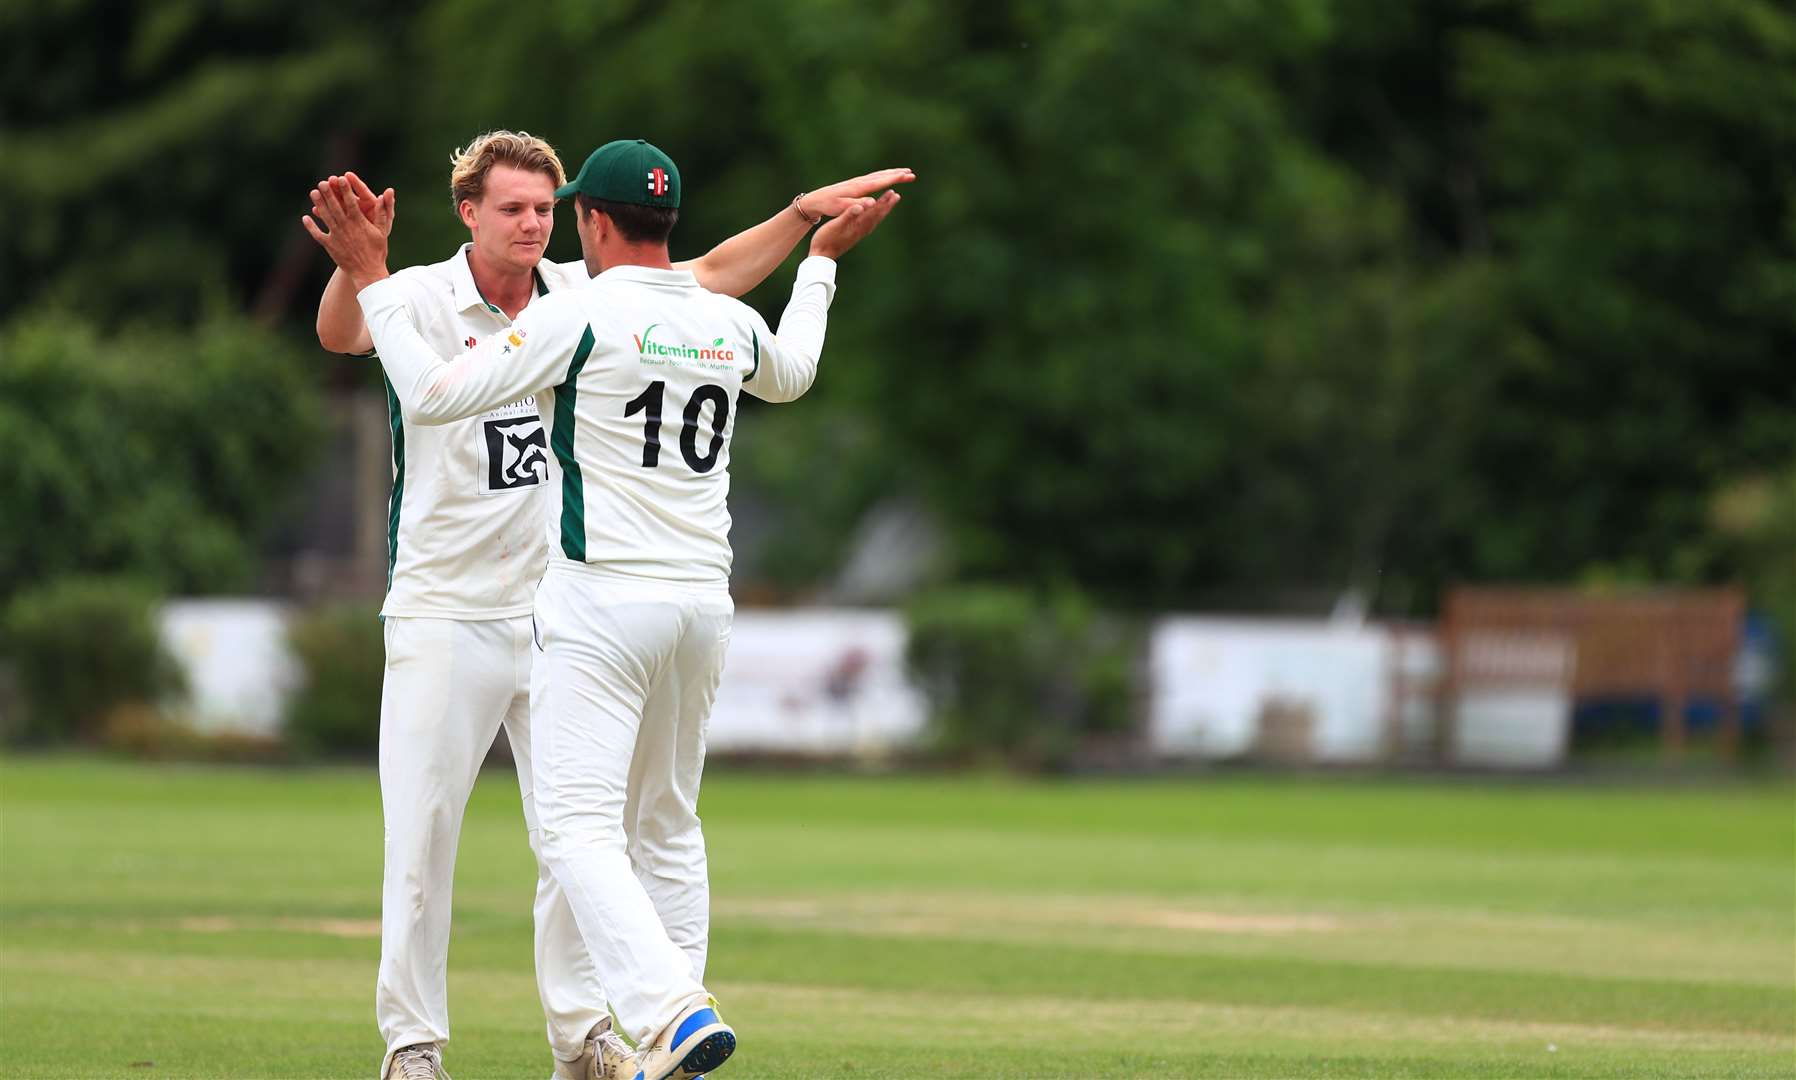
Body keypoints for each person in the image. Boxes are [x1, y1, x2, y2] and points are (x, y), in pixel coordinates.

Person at [301, 130, 913, 1080]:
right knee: (457, 844)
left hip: (572, 607)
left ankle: (612, 1033)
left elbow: (693, 280)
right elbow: (345, 334)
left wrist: (798, 225)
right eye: (513, 207)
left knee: (581, 840)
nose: (533, 224)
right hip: (461, 603)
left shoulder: (574, 304)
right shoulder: (436, 290)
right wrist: (812, 248)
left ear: (583, 217)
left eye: (547, 209)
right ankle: (418, 1047)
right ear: (467, 211)